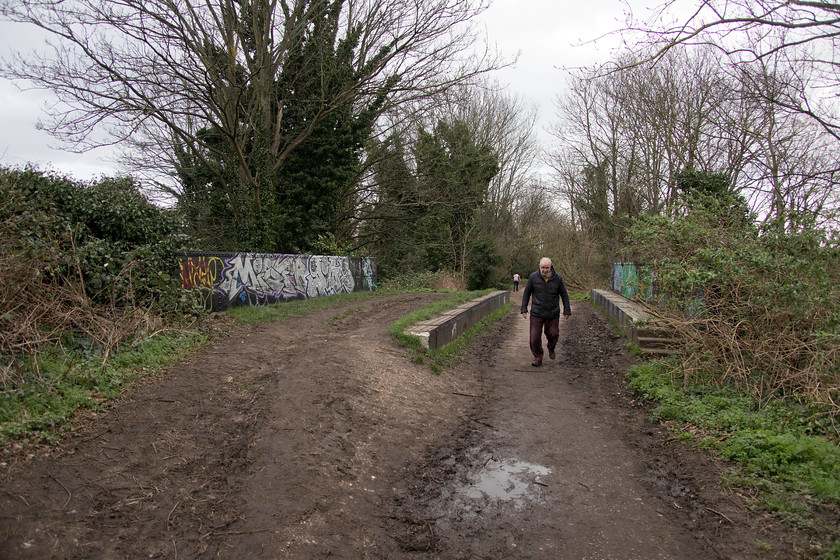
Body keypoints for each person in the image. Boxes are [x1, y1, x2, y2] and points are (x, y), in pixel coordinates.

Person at [520, 257, 571, 366]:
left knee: (554, 334)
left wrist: (567, 310)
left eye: (547, 268)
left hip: (552, 313)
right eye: (543, 267)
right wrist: (523, 308)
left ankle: (551, 348)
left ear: (550, 267)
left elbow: (564, 294)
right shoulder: (533, 277)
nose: (545, 270)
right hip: (536, 313)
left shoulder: (558, 278)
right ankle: (538, 357)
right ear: (539, 267)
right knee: (534, 338)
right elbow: (527, 293)